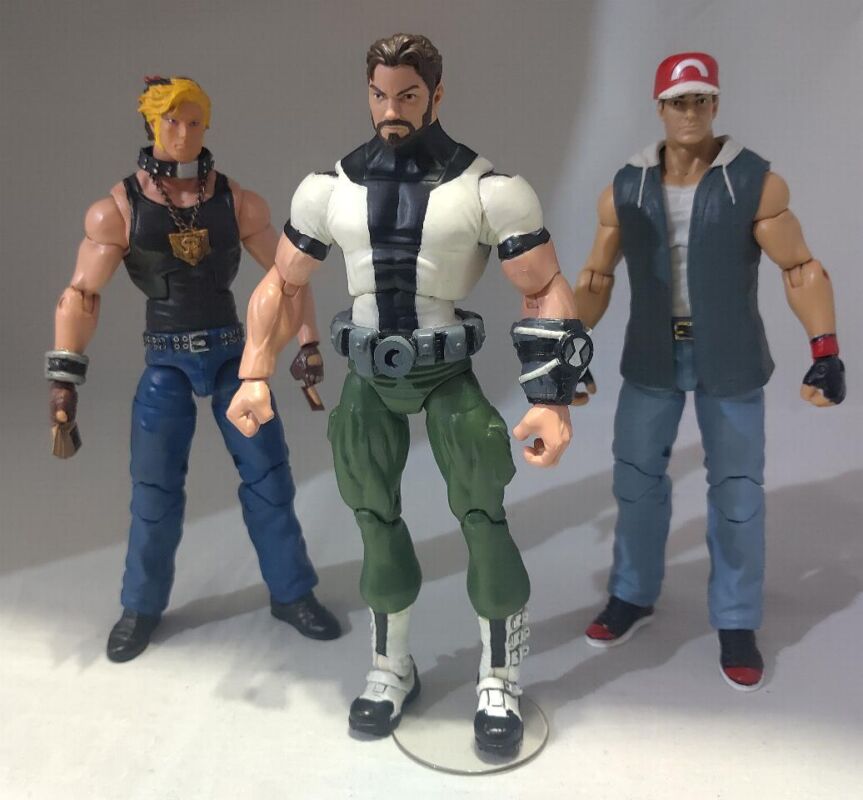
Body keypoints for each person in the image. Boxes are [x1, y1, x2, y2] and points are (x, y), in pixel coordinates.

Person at [228, 34, 592, 755]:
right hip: (368, 374)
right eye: (379, 94)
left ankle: (498, 678)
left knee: (482, 514)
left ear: (436, 94)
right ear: (366, 93)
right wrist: (253, 371)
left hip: (445, 372)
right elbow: (282, 282)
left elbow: (546, 286)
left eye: (408, 95)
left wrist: (551, 398)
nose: (391, 109)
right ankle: (391, 666)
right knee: (372, 516)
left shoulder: (488, 189)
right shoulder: (328, 188)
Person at [574, 52, 846, 691]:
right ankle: (632, 591)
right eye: (679, 101)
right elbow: (595, 277)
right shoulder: (626, 187)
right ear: (660, 108)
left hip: (730, 355)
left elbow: (800, 268)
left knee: (738, 491)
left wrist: (825, 350)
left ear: (716, 103)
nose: (690, 112)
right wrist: (568, 350)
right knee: (636, 480)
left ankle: (737, 617)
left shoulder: (753, 182)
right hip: (651, 353)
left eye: (701, 99)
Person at [46, 76, 341, 664]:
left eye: (193, 122)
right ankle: (141, 606)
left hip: (236, 360)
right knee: (154, 492)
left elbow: (289, 275)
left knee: (270, 481)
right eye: (171, 122)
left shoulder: (237, 202)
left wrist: (307, 342)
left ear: (208, 125)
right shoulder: (118, 211)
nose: (182, 134)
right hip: (167, 363)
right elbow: (81, 294)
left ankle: (292, 592)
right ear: (151, 125)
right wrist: (65, 378)